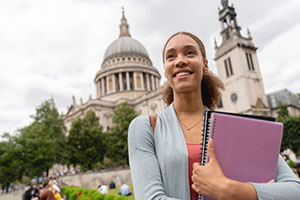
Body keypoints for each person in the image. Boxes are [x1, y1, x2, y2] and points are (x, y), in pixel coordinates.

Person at [128, 31, 300, 199]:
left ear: (205, 65)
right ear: (165, 71)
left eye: (190, 53)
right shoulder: (145, 127)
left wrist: (230, 190)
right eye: (171, 57)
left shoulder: (238, 126)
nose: (180, 60)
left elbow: (295, 190)